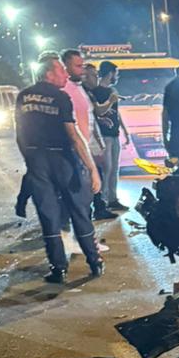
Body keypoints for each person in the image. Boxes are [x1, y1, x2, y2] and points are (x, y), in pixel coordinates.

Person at [15, 53, 103, 283]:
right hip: (62, 159)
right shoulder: (60, 97)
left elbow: (19, 134)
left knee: (48, 215)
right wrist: (91, 168)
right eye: (61, 70)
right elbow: (73, 135)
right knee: (78, 209)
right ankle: (94, 261)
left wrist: (30, 160)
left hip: (36, 159)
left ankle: (58, 268)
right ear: (49, 74)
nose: (65, 74)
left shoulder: (23, 96)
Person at [90, 60, 131, 217]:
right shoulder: (96, 92)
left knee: (114, 168)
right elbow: (98, 112)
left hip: (114, 135)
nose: (117, 77)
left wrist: (125, 131)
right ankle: (103, 201)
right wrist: (111, 100)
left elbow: (116, 112)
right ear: (109, 73)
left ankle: (113, 199)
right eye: (116, 73)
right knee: (106, 169)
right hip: (103, 136)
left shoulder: (113, 90)